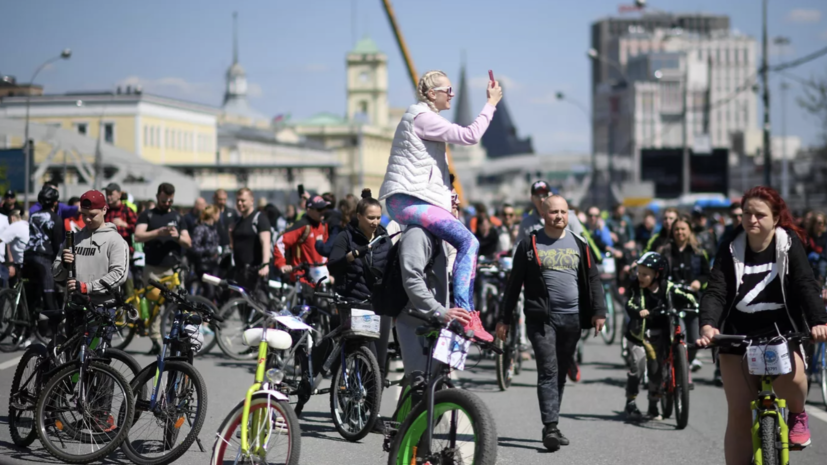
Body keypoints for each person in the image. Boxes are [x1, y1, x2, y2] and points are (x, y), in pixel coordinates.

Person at [696, 186, 827, 462]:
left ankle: (797, 414)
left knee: (795, 380)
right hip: (738, 336)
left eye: (760, 215)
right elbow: (716, 290)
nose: (752, 220)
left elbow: (805, 284)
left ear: (776, 218)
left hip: (781, 331)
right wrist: (708, 325)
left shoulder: (787, 243)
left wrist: (818, 321)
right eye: (747, 214)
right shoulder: (731, 245)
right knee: (740, 413)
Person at [378, 70, 502, 342]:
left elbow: (430, 172)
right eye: (448, 90)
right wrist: (491, 104)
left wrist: (449, 200)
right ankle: (466, 317)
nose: (452, 94)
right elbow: (470, 135)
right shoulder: (423, 118)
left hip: (412, 199)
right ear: (432, 94)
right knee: (469, 242)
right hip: (408, 201)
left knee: (450, 248)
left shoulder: (423, 119)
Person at [498, 195, 606, 451]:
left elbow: (593, 279)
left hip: (573, 319)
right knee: (547, 370)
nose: (559, 216)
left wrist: (599, 311)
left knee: (559, 371)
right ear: (543, 214)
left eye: (563, 212)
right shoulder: (529, 244)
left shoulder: (579, 243)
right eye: (554, 212)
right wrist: (504, 318)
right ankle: (551, 426)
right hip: (542, 319)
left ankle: (553, 423)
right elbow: (514, 284)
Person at [328, 189, 393, 383]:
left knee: (380, 363)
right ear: (359, 216)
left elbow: (391, 269)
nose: (375, 222)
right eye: (370, 217)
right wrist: (352, 256)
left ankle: (370, 409)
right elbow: (333, 265)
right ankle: (348, 394)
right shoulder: (345, 237)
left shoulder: (384, 238)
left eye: (378, 218)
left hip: (380, 305)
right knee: (363, 355)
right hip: (354, 304)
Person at [623, 251, 697, 420]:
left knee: (656, 370)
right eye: (639, 273)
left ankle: (653, 405)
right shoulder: (635, 287)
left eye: (645, 274)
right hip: (638, 337)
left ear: (657, 275)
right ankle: (630, 401)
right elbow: (629, 303)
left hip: (660, 335)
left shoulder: (667, 287)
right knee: (639, 367)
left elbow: (685, 296)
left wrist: (694, 303)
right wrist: (638, 311)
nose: (640, 277)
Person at [53, 190, 129, 331]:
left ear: (104, 210)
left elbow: (119, 274)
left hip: (102, 309)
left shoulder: (115, 240)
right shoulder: (73, 239)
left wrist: (86, 287)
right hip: (74, 307)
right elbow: (56, 275)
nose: (87, 219)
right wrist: (63, 264)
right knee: (72, 353)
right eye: (84, 215)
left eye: (93, 215)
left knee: (95, 353)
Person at [134, 183, 192, 354]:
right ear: (158, 196)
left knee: (179, 304)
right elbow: (138, 236)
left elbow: (188, 242)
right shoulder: (148, 215)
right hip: (153, 268)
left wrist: (178, 237)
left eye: (170, 201)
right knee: (154, 307)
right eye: (164, 200)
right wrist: (158, 233)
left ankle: (179, 338)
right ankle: (156, 342)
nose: (167, 203)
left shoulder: (177, 217)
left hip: (172, 268)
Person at [658, 214, 709, 373]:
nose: (679, 232)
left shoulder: (698, 251)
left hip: (692, 301)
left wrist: (698, 282)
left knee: (694, 340)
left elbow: (706, 273)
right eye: (677, 229)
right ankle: (675, 368)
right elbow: (658, 274)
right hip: (672, 301)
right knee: (680, 338)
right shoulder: (664, 251)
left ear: (689, 231)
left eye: (683, 229)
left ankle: (686, 362)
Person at [23, 186, 64, 327]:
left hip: (27, 257)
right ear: (55, 203)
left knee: (31, 295)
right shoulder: (56, 219)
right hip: (43, 258)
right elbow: (58, 245)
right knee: (49, 297)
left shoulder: (33, 216)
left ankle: (24, 328)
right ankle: (50, 332)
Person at [274, 195, 329, 281]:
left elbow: (326, 253)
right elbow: (280, 243)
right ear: (309, 210)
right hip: (303, 279)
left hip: (322, 278)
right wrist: (282, 264)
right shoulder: (302, 225)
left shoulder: (324, 225)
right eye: (319, 209)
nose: (323, 212)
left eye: (324, 209)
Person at [229, 188, 271, 292]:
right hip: (240, 271)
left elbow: (265, 243)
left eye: (243, 200)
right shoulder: (237, 222)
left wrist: (265, 265)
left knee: (258, 305)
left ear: (251, 201)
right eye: (237, 200)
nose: (239, 203)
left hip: (254, 272)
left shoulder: (259, 219)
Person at [191, 205, 221, 300]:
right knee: (209, 292)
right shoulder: (200, 229)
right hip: (203, 266)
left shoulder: (213, 228)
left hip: (213, 265)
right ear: (213, 215)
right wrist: (209, 251)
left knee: (215, 292)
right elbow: (194, 248)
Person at [0, 209, 29, 288]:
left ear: (12, 218)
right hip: (30, 260)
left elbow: (1, 239)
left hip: (22, 262)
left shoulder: (16, 225)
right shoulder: (27, 225)